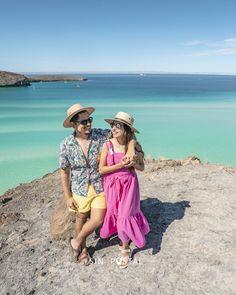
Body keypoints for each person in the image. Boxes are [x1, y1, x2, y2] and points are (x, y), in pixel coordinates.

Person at [59, 103, 136, 265]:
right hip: (79, 188)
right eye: (83, 122)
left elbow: (127, 134)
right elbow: (64, 171)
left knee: (98, 220)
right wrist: (67, 196)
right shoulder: (66, 144)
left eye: (90, 120)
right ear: (74, 125)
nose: (88, 124)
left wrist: (130, 149)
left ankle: (76, 240)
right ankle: (84, 251)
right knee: (80, 217)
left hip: (100, 186)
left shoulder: (101, 135)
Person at [99, 111, 150, 269]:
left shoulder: (133, 145)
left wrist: (133, 164)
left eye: (118, 126)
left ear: (127, 130)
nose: (114, 128)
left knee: (125, 215)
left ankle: (125, 250)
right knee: (116, 213)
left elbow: (141, 167)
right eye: (113, 125)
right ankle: (127, 235)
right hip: (112, 185)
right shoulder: (107, 145)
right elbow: (101, 170)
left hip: (129, 185)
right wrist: (120, 165)